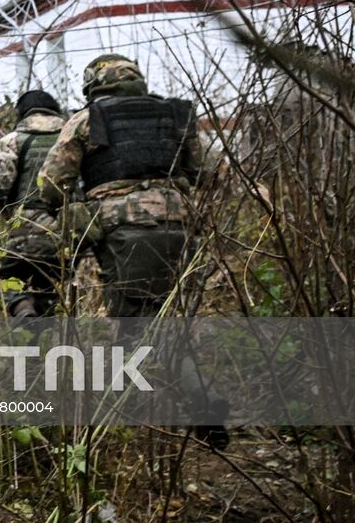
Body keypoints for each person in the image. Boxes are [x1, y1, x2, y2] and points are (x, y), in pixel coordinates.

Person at [36, 53, 228, 447]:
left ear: (93, 84)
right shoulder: (175, 114)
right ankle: (166, 412)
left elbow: (51, 183)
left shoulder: (90, 118)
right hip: (179, 228)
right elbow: (210, 172)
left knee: (138, 328)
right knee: (163, 318)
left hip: (126, 233)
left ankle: (188, 408)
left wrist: (77, 211)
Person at [0, 89, 70, 322]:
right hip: (67, 228)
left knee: (8, 278)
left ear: (22, 113)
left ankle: (22, 307)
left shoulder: (13, 140)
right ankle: (42, 336)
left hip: (26, 226)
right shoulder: (71, 138)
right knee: (51, 284)